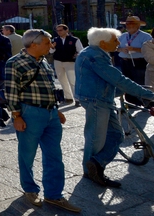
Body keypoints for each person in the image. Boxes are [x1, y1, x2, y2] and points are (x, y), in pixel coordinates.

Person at [5, 30, 81, 212]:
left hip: (50, 114)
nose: (51, 45)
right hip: (30, 113)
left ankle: (54, 194)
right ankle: (30, 189)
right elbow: (11, 91)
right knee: (27, 155)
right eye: (47, 43)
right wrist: (16, 116)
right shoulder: (14, 62)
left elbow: (49, 87)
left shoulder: (44, 61)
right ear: (34, 44)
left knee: (55, 156)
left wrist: (56, 109)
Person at [75, 27, 154, 188]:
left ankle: (95, 164)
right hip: (96, 100)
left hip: (100, 99)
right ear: (103, 43)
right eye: (115, 40)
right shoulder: (95, 56)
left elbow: (112, 80)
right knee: (95, 138)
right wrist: (149, 95)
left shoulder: (93, 52)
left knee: (117, 135)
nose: (119, 42)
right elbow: (118, 79)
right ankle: (91, 170)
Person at [118, 16, 152, 103]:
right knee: (127, 82)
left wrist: (134, 48)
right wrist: (121, 49)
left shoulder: (146, 36)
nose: (128, 26)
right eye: (127, 24)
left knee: (140, 82)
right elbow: (115, 47)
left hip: (139, 62)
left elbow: (150, 49)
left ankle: (143, 101)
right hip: (125, 62)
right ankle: (130, 101)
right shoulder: (122, 36)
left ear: (137, 25)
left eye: (131, 24)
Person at [51, 24, 83, 104]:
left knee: (72, 81)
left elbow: (81, 51)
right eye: (57, 30)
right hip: (58, 61)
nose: (59, 32)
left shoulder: (74, 40)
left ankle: (77, 99)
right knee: (62, 80)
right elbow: (51, 52)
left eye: (61, 30)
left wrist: (76, 55)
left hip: (70, 62)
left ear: (66, 30)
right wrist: (52, 47)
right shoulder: (55, 40)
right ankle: (68, 97)